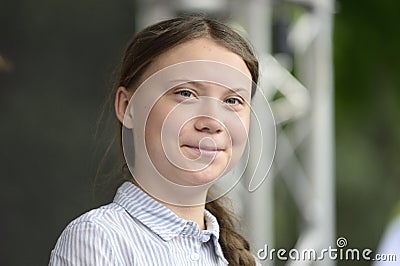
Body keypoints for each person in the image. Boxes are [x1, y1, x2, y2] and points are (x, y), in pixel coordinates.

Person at [49, 16, 262, 266]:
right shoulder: (99, 240)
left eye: (232, 101)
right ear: (128, 107)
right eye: (185, 93)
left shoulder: (242, 259)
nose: (212, 121)